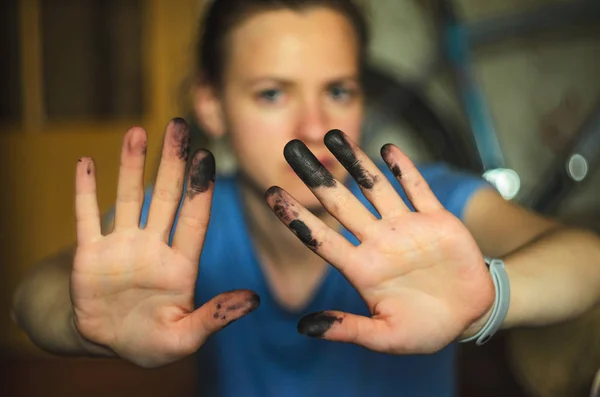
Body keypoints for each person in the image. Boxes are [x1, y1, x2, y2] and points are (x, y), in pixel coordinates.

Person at [11, 0, 600, 396]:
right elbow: (32, 293)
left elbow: (586, 258)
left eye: (339, 90)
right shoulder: (188, 220)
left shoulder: (427, 211)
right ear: (212, 103)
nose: (314, 123)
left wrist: (489, 296)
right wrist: (80, 324)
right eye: (272, 93)